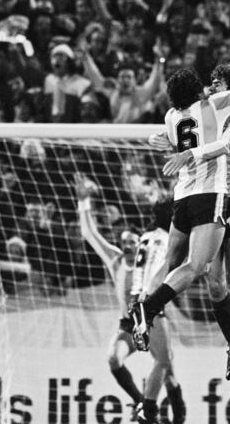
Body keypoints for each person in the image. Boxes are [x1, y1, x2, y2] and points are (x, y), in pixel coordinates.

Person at [129, 65, 230, 356]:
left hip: (199, 198)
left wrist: (160, 141)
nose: (212, 85)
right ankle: (148, 308)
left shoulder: (224, 114)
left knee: (229, 279)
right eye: (209, 82)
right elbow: (222, 138)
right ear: (198, 90)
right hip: (214, 195)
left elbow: (208, 137)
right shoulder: (215, 106)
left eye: (218, 82)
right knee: (202, 272)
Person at [75, 176, 144, 410]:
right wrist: (83, 201)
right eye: (124, 241)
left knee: (166, 370)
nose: (127, 246)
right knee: (114, 359)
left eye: (132, 242)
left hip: (153, 323)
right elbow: (90, 234)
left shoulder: (151, 263)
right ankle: (140, 402)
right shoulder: (116, 261)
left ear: (140, 245)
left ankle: (166, 409)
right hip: (128, 326)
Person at [131, 196, 186, 424]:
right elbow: (156, 274)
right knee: (162, 360)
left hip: (139, 301)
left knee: (166, 360)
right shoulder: (164, 241)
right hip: (147, 303)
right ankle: (148, 411)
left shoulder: (147, 236)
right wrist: (150, 302)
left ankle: (178, 411)